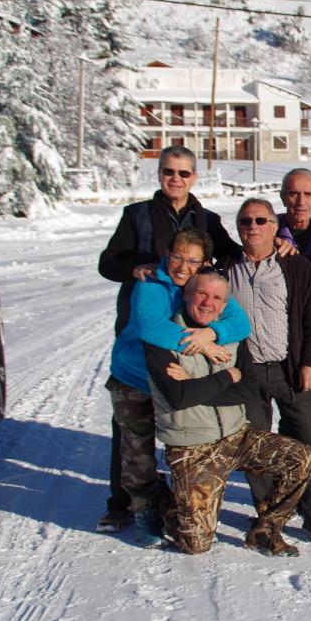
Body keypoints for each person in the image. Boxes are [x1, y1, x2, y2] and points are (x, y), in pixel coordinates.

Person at [96, 145, 240, 532]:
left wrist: (213, 327)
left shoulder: (206, 219)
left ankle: (183, 500)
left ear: (194, 177)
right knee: (131, 426)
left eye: (183, 173)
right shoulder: (138, 216)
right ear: (159, 174)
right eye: (168, 172)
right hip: (143, 326)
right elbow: (108, 262)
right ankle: (123, 502)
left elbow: (232, 256)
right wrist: (137, 267)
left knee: (180, 421)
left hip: (185, 340)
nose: (175, 179)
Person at [145, 271, 311, 557]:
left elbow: (248, 390)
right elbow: (178, 397)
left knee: (301, 457)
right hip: (193, 445)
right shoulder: (160, 336)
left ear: (225, 305)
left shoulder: (232, 336)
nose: (208, 303)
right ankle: (162, 498)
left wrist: (195, 384)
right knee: (196, 546)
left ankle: (266, 529)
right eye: (202, 294)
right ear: (186, 294)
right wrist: (229, 375)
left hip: (236, 437)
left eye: (217, 298)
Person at [106, 228, 252, 547]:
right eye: (177, 257)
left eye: (192, 260)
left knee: (180, 442)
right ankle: (144, 508)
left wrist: (212, 333)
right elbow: (150, 328)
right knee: (137, 449)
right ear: (166, 254)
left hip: (178, 378)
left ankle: (178, 501)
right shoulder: (151, 283)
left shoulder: (204, 288)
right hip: (135, 378)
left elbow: (241, 324)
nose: (182, 266)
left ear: (203, 263)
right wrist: (201, 345)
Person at [218, 198, 311, 542]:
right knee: (256, 449)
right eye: (245, 221)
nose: (253, 227)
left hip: (290, 368)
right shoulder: (223, 268)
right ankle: (269, 515)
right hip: (247, 372)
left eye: (261, 221)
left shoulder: (296, 267)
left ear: (274, 226)